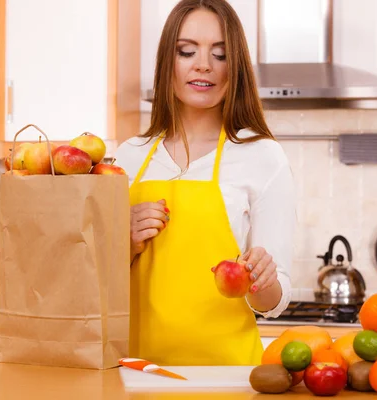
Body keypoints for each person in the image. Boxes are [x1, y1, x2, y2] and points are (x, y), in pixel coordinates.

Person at [113, 0, 296, 366]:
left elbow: (274, 302)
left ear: (236, 67)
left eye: (220, 54)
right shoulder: (129, 157)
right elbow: (95, 283)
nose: (203, 65)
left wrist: (263, 279)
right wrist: (124, 243)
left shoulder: (263, 156)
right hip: (135, 373)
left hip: (228, 377)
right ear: (169, 61)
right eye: (187, 51)